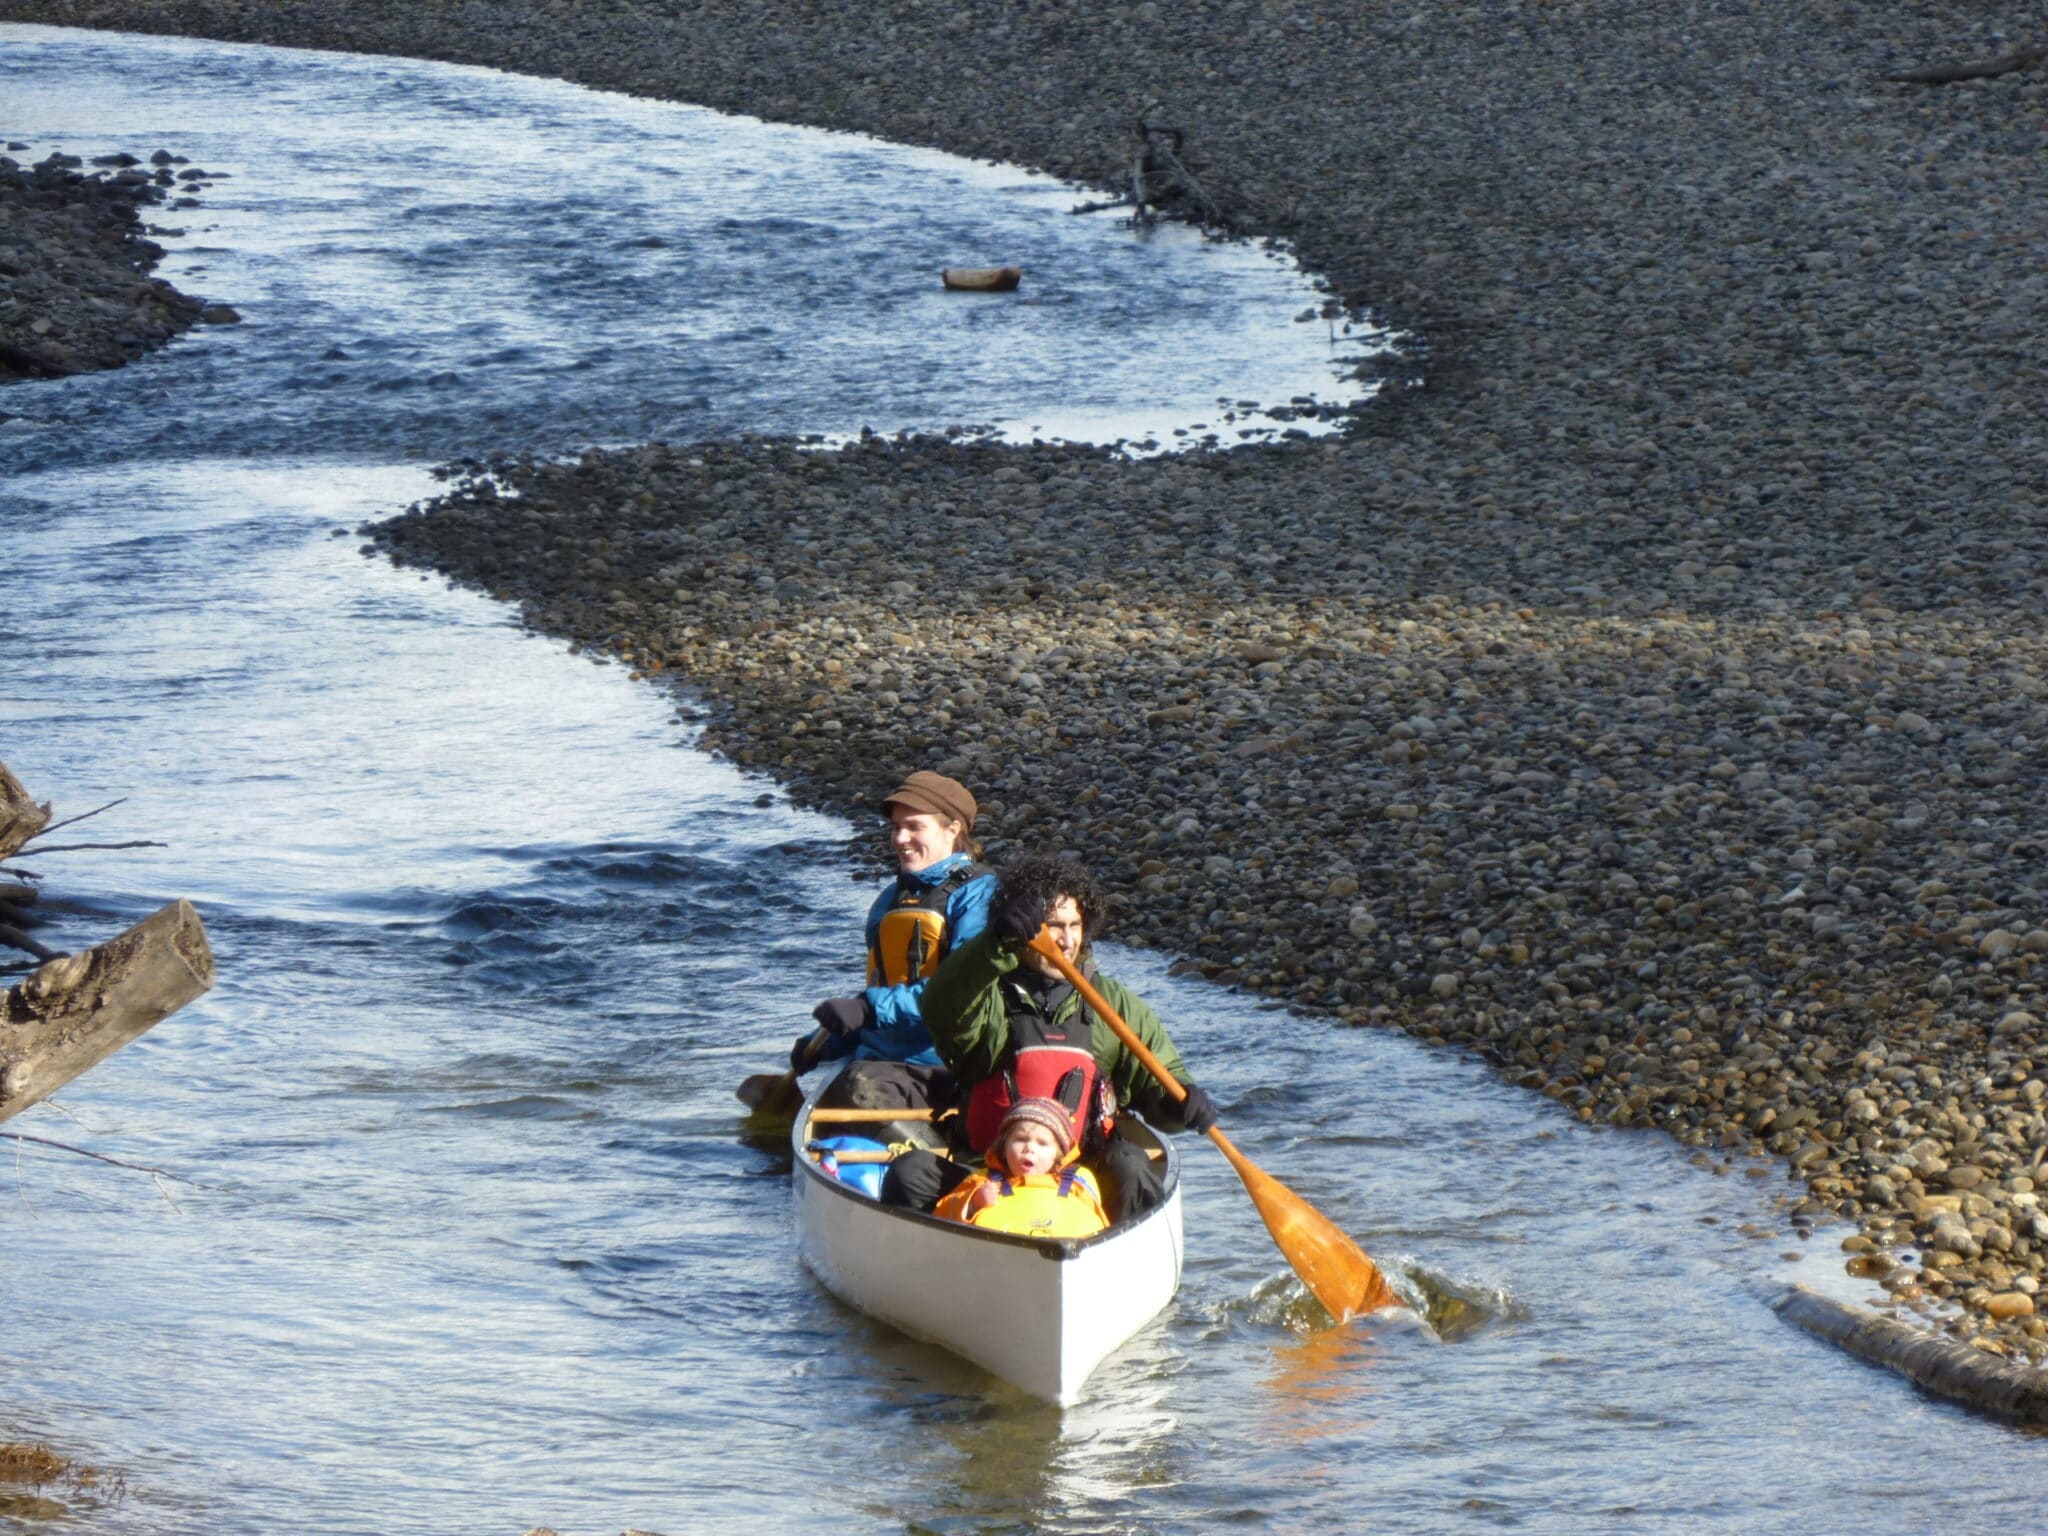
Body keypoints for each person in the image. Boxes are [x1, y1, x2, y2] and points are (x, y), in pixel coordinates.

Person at [881, 853, 1219, 1224]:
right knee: (909, 1172)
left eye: (1075, 924)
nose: (1067, 939)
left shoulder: (1114, 1004)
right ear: (1024, 931)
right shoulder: (988, 993)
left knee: (1132, 1163)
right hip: (987, 1176)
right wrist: (994, 944)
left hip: (1082, 1178)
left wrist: (1180, 1104)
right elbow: (942, 1005)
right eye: (1054, 925)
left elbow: (1157, 1082)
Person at [792, 770, 996, 1076]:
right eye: (896, 827)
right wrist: (828, 1042)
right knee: (855, 1084)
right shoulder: (889, 900)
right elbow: (882, 995)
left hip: (945, 1066)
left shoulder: (981, 895)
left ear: (952, 830)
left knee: (862, 1091)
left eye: (914, 827)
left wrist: (867, 1008)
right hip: (877, 1061)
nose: (900, 839)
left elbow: (966, 993)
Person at [933, 1097, 1108, 1239]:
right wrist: (972, 1203)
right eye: (1020, 1139)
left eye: (1042, 1143)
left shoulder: (1078, 1180)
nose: (1029, 1148)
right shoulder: (984, 1181)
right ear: (1003, 1146)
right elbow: (941, 1219)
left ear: (1058, 1154)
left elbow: (1101, 1225)